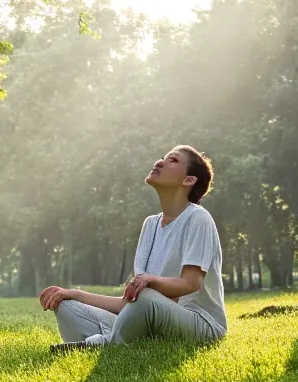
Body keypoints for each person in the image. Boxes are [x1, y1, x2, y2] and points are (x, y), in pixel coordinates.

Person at [39, 145, 226, 353]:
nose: (160, 162)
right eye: (162, 158)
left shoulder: (198, 218)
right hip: (151, 319)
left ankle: (102, 344)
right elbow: (131, 304)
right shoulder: (150, 225)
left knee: (146, 296)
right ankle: (116, 342)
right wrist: (73, 294)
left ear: (188, 180)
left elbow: (191, 283)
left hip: (201, 327)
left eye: (172, 160)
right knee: (67, 306)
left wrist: (150, 281)